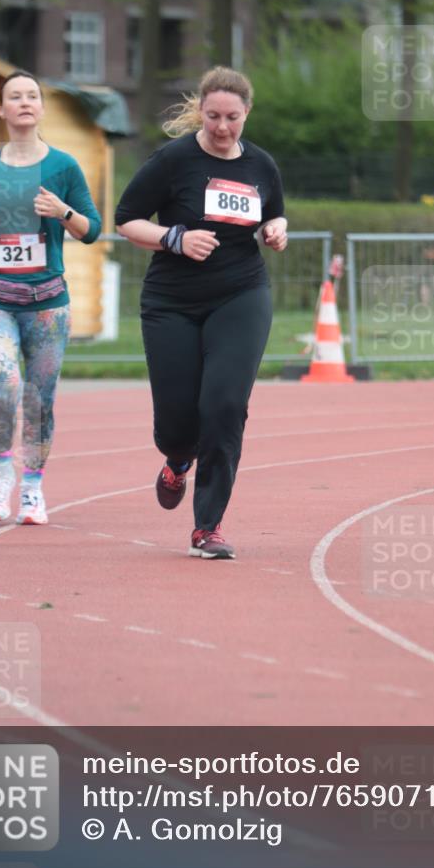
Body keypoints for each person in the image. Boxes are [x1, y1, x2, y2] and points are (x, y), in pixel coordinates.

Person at [115, 66, 288, 559]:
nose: (222, 127)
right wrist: (175, 238)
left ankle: (207, 526)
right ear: (200, 111)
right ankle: (177, 460)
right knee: (177, 425)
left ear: (247, 113)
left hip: (241, 294)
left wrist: (277, 229)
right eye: (213, 116)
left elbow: (274, 211)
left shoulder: (261, 165)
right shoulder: (173, 160)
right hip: (172, 301)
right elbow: (126, 219)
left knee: (225, 406)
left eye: (232, 117)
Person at [0, 71, 101, 524]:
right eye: (15, 96)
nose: (24, 102)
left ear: (41, 108)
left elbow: (92, 229)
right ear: (1, 109)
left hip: (48, 303)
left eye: (32, 96)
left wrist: (63, 211)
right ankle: (1, 472)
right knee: (3, 387)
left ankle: (33, 488)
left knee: (40, 400)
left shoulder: (63, 166)